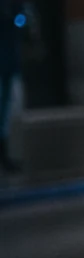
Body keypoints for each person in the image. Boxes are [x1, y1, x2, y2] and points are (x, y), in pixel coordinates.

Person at [0, 0, 26, 172]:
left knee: (5, 111)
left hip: (9, 62)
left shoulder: (16, 5)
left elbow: (21, 22)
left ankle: (4, 155)